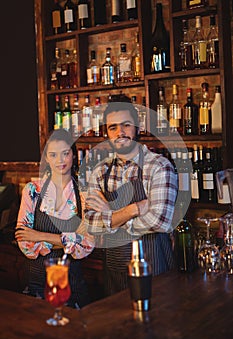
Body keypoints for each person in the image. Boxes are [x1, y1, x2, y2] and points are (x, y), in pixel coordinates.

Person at [84, 97, 178, 296]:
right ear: (107, 133)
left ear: (137, 127)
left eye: (126, 125)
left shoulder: (158, 166)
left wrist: (110, 217)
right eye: (113, 127)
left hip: (155, 270)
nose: (120, 133)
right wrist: (132, 210)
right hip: (114, 273)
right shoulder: (100, 171)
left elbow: (159, 221)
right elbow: (91, 223)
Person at [15, 129, 95, 308]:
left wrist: (40, 236)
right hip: (37, 282)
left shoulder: (85, 194)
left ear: (73, 155)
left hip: (71, 283)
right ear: (47, 158)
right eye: (53, 154)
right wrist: (70, 241)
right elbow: (24, 241)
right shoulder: (32, 190)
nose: (60, 160)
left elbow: (88, 244)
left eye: (65, 153)